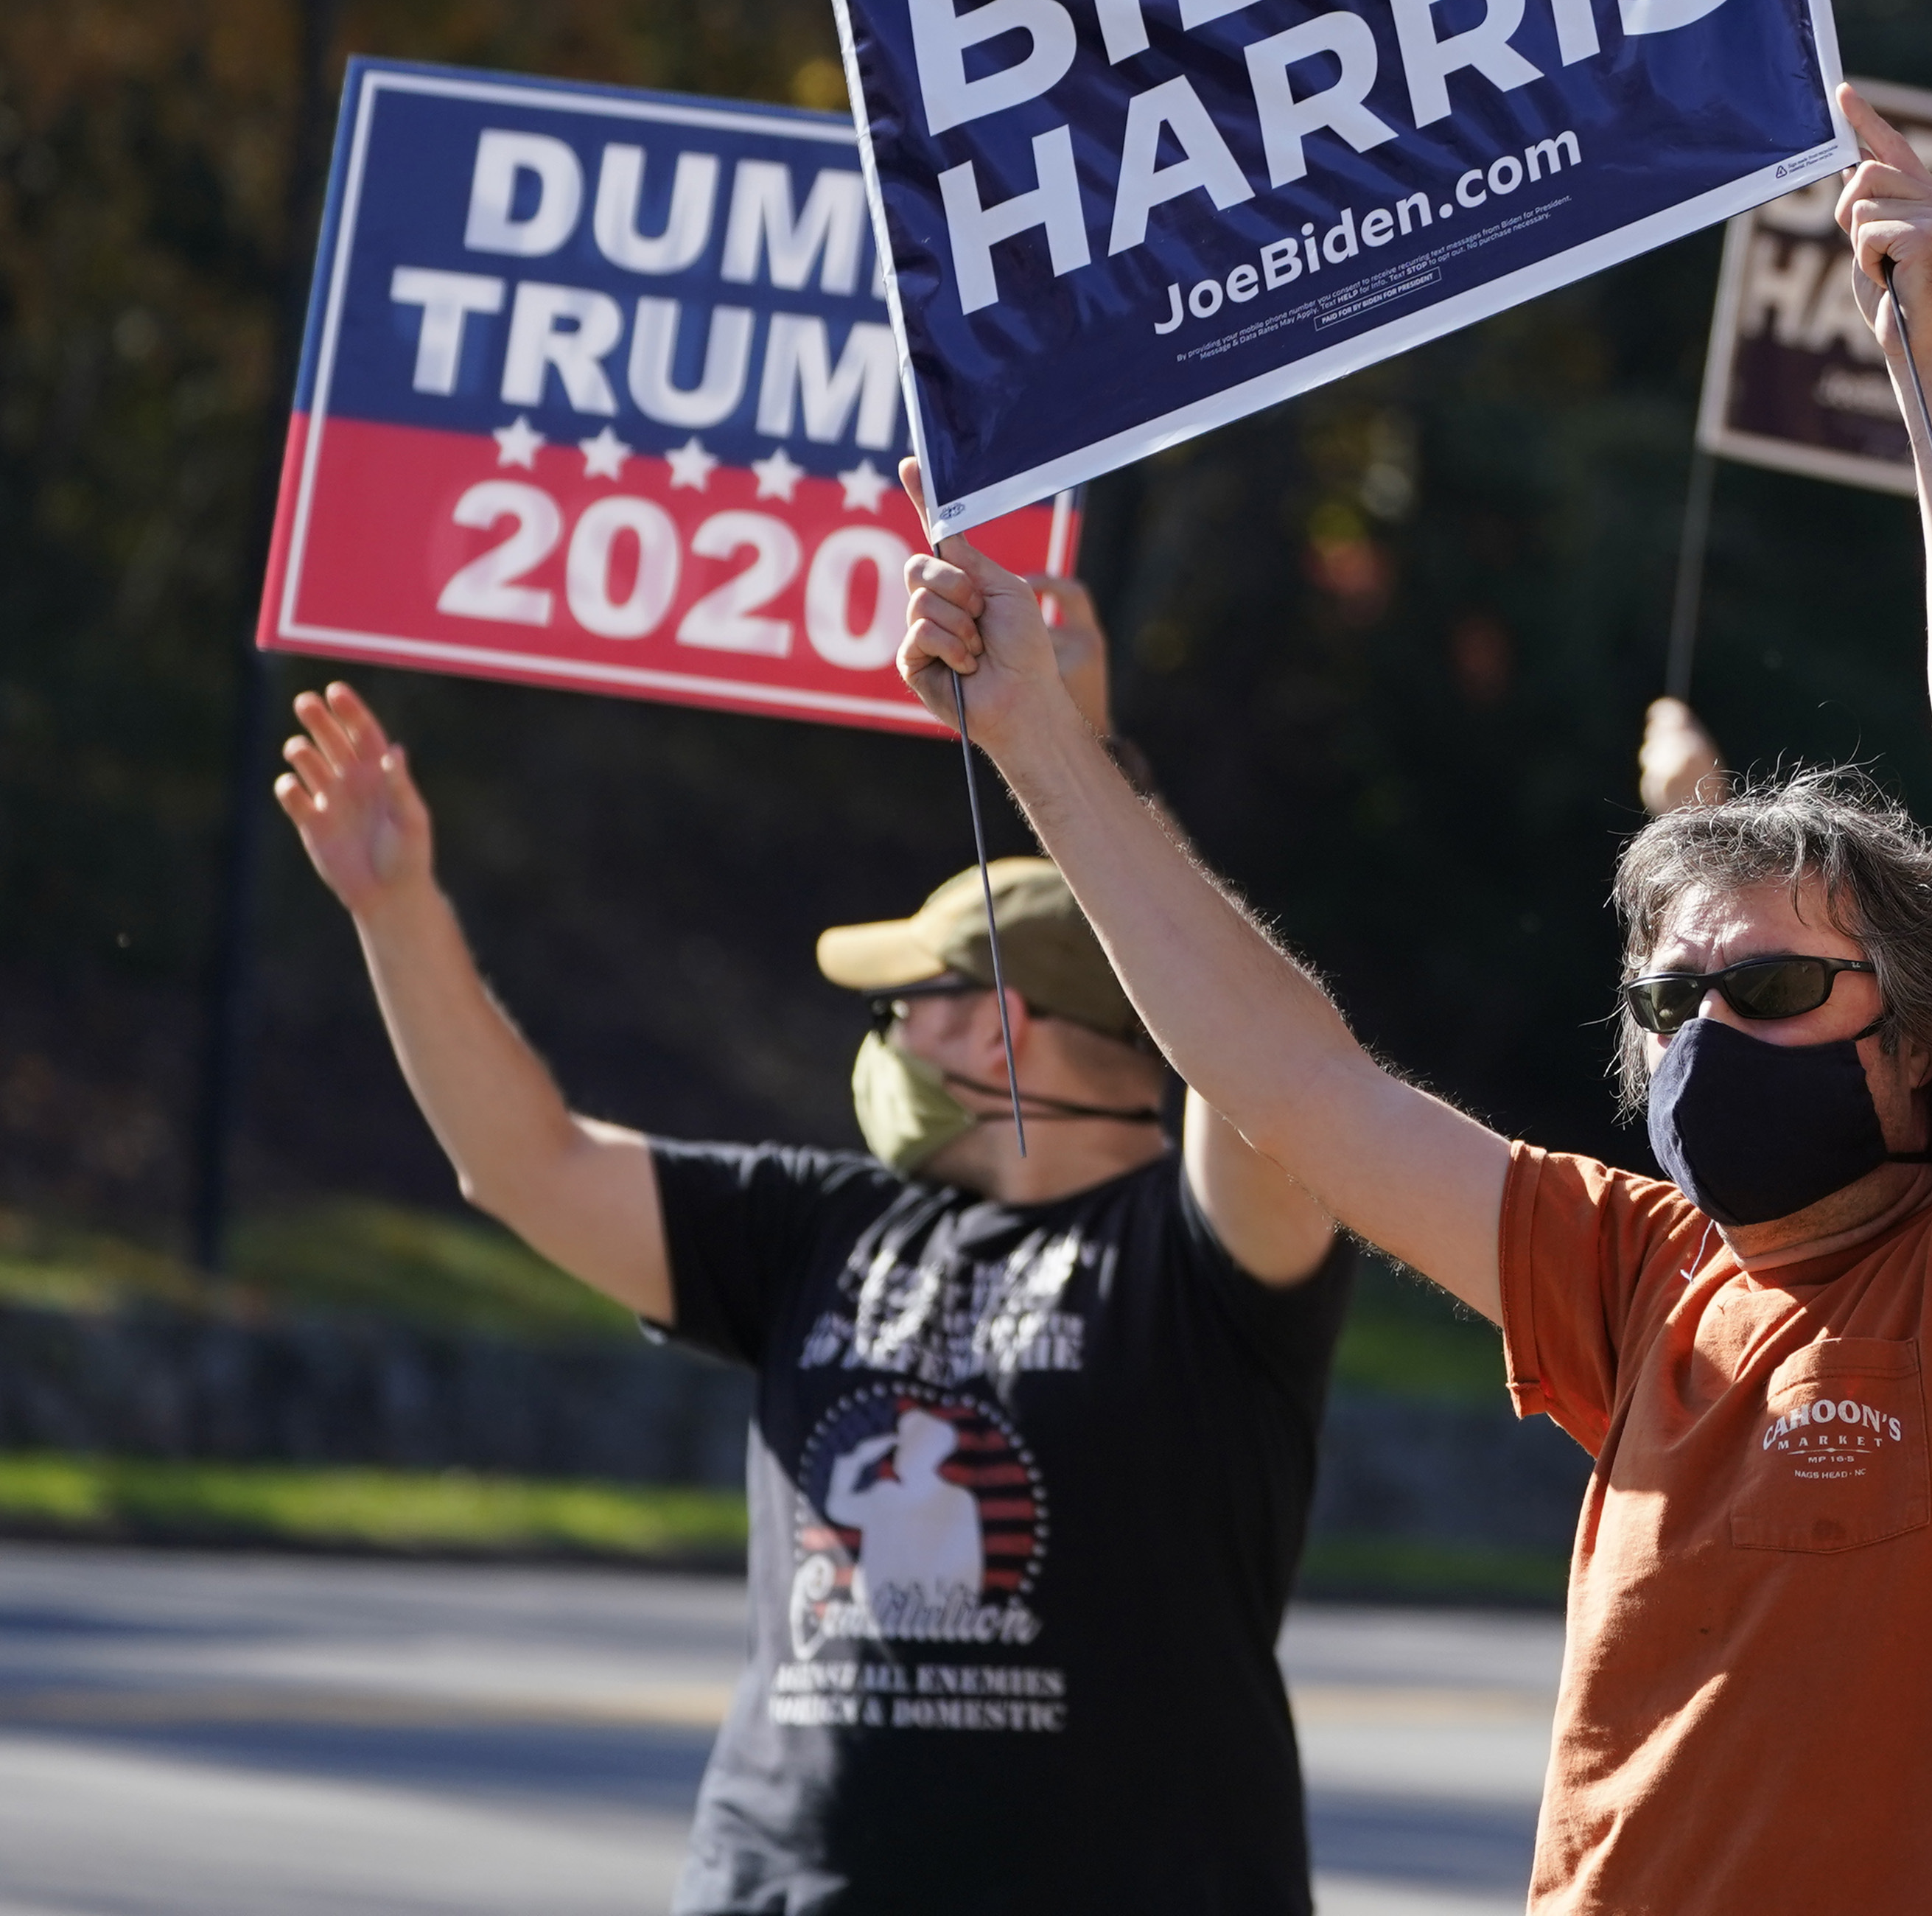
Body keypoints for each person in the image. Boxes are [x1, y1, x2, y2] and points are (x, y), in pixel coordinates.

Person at [891, 85, 1932, 1916]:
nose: (1705, 1033)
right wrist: (1041, 738)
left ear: (1923, 1046)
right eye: (1671, 1002)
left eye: (1770, 986)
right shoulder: (1637, 1272)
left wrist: (1927, 376)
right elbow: (1291, 1081)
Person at [268, 595, 1350, 1916]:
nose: (885, 1039)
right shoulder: (818, 1229)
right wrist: (395, 909)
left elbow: (1271, 1073)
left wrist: (1084, 756)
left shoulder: (1199, 1258)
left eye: (909, 1004)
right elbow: (529, 1165)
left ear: (1001, 1027)